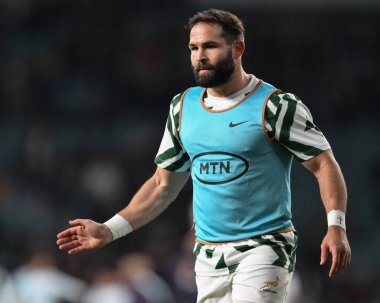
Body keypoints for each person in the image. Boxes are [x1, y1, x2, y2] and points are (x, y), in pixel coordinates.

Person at [57, 9, 351, 303]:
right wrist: (109, 230)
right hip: (207, 256)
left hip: (264, 247)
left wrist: (336, 226)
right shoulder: (183, 108)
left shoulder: (275, 106)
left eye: (210, 46)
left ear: (237, 48)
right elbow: (161, 186)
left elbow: (324, 164)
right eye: (194, 48)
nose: (200, 56)